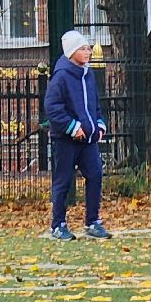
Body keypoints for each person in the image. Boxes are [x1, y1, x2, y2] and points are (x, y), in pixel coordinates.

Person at [44, 30, 111, 241]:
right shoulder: (61, 77)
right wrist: (73, 127)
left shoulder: (88, 74)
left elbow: (95, 105)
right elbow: (52, 108)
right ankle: (58, 225)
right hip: (66, 140)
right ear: (72, 52)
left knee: (95, 175)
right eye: (83, 49)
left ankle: (93, 221)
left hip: (88, 139)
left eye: (88, 48)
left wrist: (99, 125)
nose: (88, 52)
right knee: (63, 181)